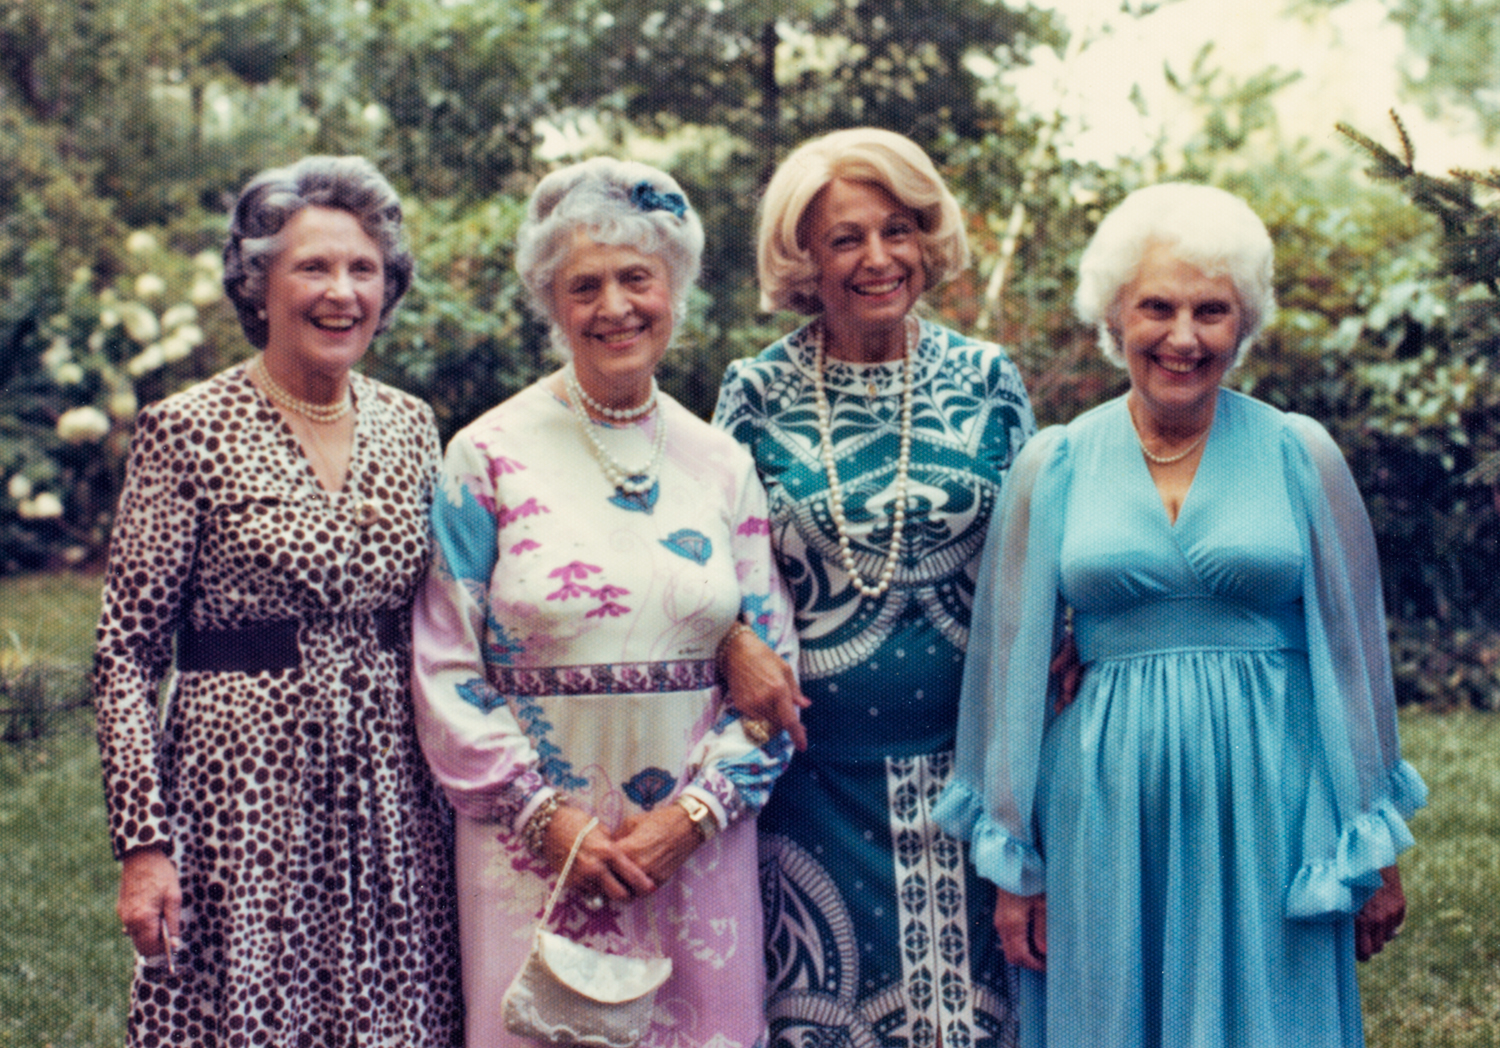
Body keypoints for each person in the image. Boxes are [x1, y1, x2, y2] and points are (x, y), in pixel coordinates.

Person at [935, 182, 1427, 1048]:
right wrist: (1014, 867)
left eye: (1212, 310)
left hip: (1270, 795)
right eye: (1157, 307)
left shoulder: (1298, 453)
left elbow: (1351, 659)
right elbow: (1007, 670)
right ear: (1114, 314)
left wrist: (1372, 846)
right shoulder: (1054, 465)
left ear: (1245, 323)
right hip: (1104, 802)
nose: (1184, 337)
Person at [410, 156, 800, 1048]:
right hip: (531, 853)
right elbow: (444, 667)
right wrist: (545, 819)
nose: (615, 306)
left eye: (638, 279)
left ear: (676, 291)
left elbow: (774, 672)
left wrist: (694, 817)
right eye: (585, 285)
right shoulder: (486, 456)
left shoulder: (721, 464)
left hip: (696, 853)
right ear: (553, 302)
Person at [93, 156, 463, 1046]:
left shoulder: (412, 426)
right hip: (239, 798)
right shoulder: (186, 430)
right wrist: (145, 845)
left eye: (363, 269)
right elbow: (124, 654)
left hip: (391, 793)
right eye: (314, 267)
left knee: (396, 1013)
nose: (342, 292)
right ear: (259, 284)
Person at [712, 127, 1036, 1048]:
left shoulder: (987, 380)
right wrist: (733, 637)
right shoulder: (756, 391)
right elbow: (709, 563)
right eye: (845, 238)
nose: (878, 258)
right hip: (809, 785)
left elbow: (1038, 562)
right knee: (825, 1017)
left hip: (968, 777)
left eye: (897, 229)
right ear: (803, 258)